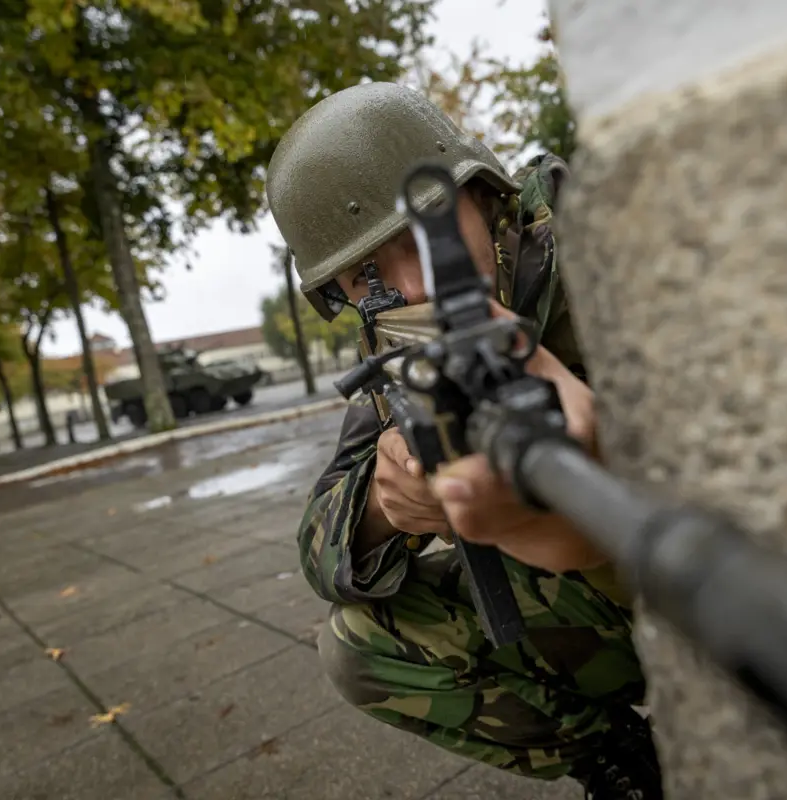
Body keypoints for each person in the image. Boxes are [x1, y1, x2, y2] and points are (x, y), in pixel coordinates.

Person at [266, 82, 662, 800]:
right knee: (355, 646)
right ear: (346, 301)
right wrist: (393, 502)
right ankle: (612, 753)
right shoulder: (397, 353)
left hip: (697, 563)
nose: (417, 285)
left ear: (484, 197)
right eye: (368, 274)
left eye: (431, 229)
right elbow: (316, 550)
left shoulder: (594, 234)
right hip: (605, 622)